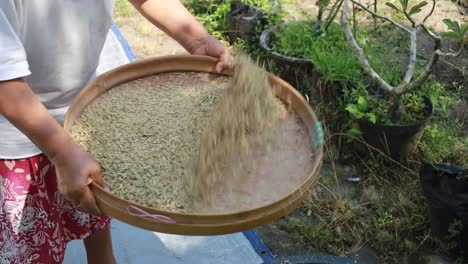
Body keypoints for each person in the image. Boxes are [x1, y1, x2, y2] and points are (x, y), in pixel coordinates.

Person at [0, 0, 231, 263]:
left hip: (83, 108)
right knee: (32, 243)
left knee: (92, 199)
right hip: (16, 136)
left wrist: (198, 40)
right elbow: (4, 81)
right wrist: (62, 152)